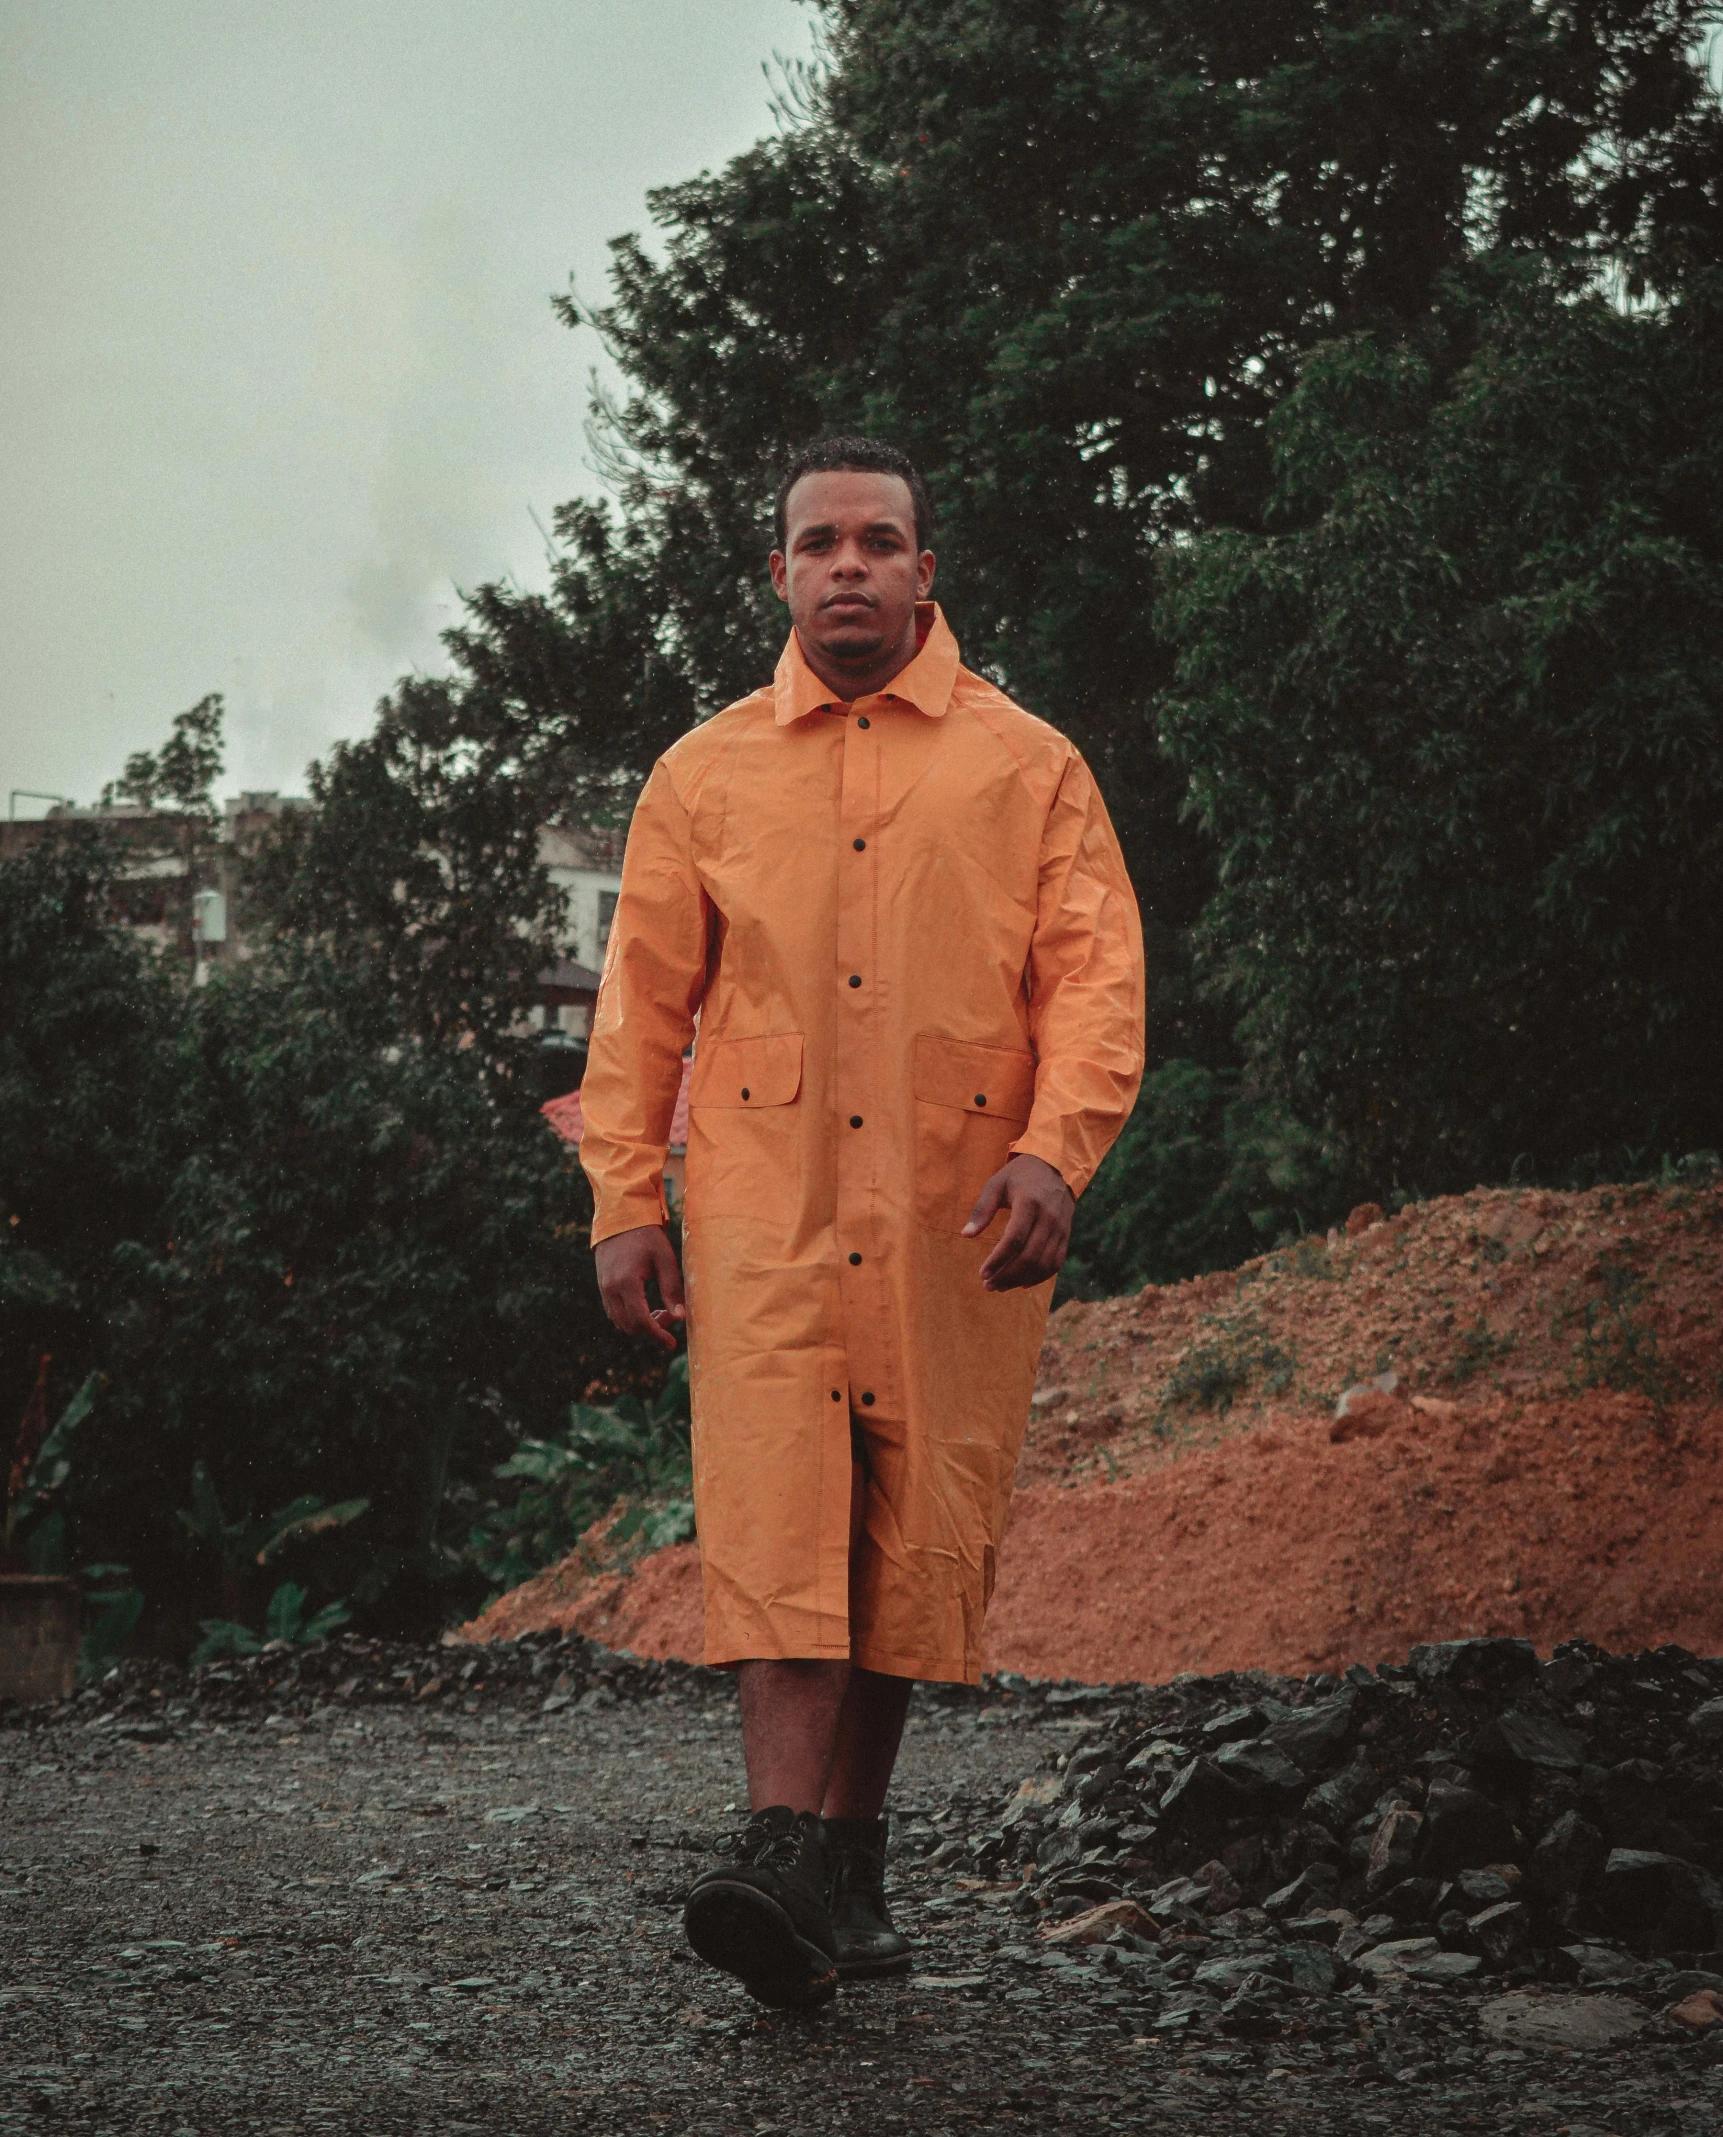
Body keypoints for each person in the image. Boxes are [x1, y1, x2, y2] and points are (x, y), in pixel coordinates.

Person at [578, 436, 1144, 2010]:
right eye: (815, 542)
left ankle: (845, 1863)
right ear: (776, 573)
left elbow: (1092, 985)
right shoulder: (702, 774)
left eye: (875, 542)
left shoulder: (1027, 766)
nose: (845, 566)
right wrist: (625, 1198)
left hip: (957, 1207)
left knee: (902, 1522)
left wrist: (1055, 1154)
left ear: (923, 570)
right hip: (762, 1207)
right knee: (777, 1505)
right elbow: (639, 1009)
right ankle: (780, 1847)